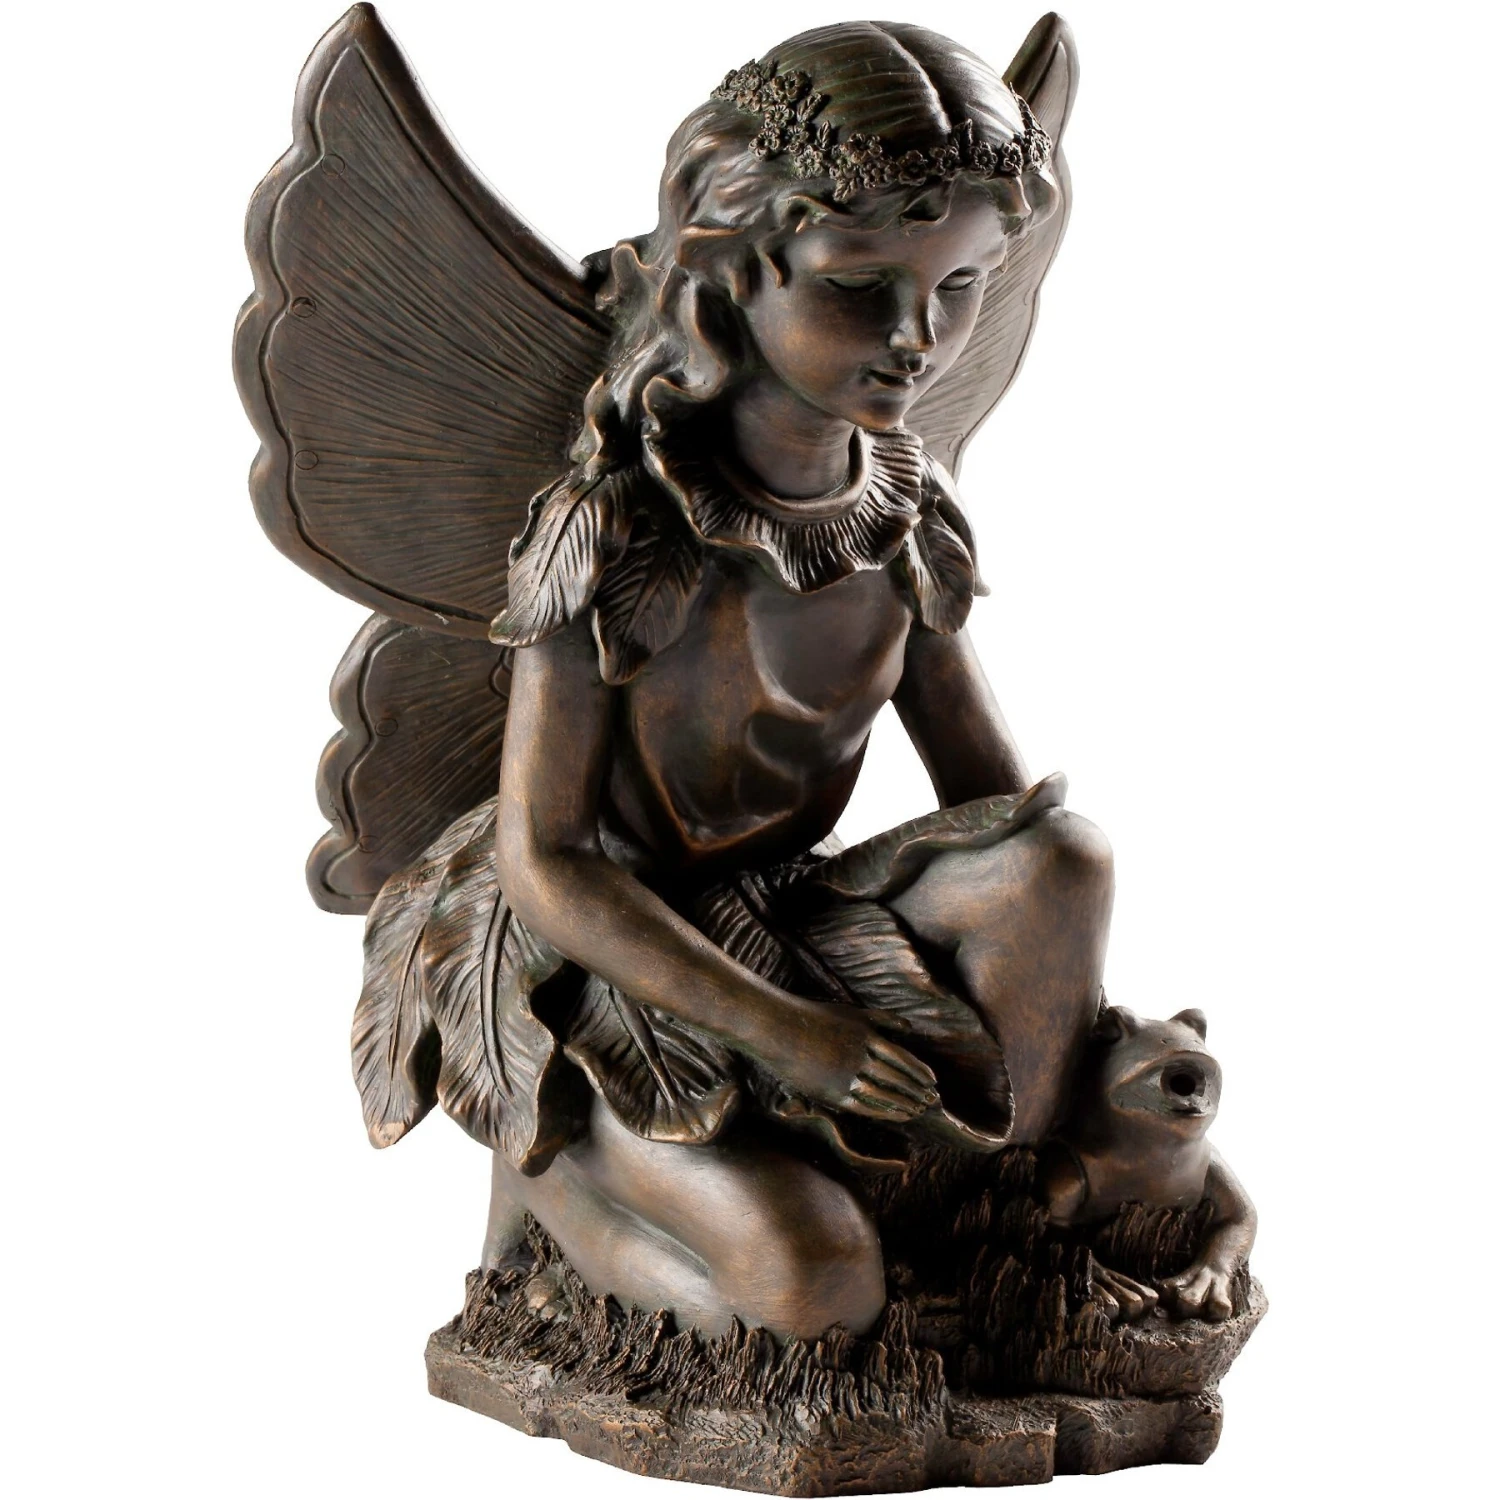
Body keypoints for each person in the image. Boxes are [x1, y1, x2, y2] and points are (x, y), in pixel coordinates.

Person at [356, 20, 1113, 1340]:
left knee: (1068, 857)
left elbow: (992, 815)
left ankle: (1009, 1197)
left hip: (787, 907)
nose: (919, 338)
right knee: (814, 1287)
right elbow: (549, 861)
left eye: (959, 286)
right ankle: (556, 1208)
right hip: (604, 948)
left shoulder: (900, 503)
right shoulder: (615, 526)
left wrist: (1055, 1017)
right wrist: (789, 1033)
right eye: (859, 287)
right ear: (732, 270)